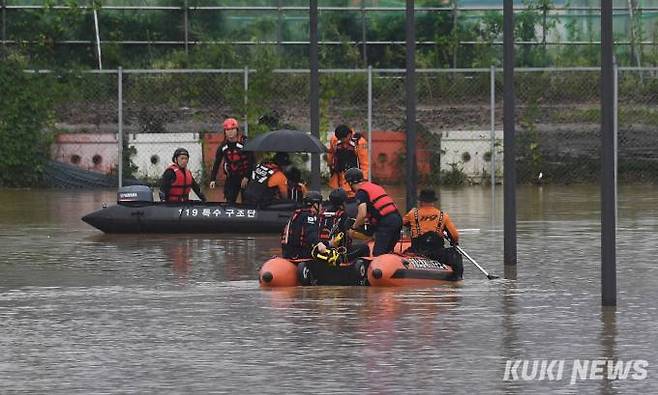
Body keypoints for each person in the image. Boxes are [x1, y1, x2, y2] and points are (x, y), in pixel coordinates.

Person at [344, 167, 402, 256]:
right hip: (397, 219)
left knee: (378, 254)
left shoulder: (361, 192)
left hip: (386, 223)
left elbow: (362, 214)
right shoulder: (374, 186)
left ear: (350, 182)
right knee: (387, 252)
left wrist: (353, 228)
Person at [402, 189, 459, 261]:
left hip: (417, 250)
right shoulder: (443, 216)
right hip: (437, 252)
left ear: (420, 201)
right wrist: (454, 242)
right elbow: (455, 235)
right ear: (433, 202)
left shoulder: (412, 214)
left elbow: (402, 223)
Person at [209, 118, 254, 204]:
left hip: (245, 176)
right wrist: (212, 179)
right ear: (225, 132)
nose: (230, 132)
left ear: (237, 130)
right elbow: (217, 162)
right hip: (232, 177)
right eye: (227, 130)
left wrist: (247, 177)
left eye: (232, 129)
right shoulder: (223, 146)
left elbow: (252, 161)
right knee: (229, 199)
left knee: (247, 201)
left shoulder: (245, 142)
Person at [319, 188, 370, 261]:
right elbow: (349, 233)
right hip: (340, 252)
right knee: (365, 248)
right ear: (343, 201)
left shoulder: (322, 213)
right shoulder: (343, 214)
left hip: (323, 248)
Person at [281, 190, 325, 260]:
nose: (321, 207)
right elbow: (310, 232)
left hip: (288, 253)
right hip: (301, 254)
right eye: (320, 204)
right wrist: (319, 243)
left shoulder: (296, 214)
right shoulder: (309, 216)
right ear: (315, 205)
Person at [327, 125, 369, 197]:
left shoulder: (359, 142)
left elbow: (364, 163)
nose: (342, 141)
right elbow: (331, 152)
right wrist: (330, 164)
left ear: (349, 135)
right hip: (338, 177)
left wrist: (363, 180)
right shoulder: (334, 140)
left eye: (343, 139)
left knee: (352, 199)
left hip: (353, 179)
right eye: (340, 139)